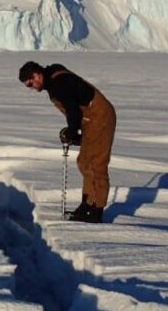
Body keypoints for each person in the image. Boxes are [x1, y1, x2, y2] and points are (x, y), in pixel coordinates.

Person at [18, 61, 116, 223]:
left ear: (38, 73)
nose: (33, 87)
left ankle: (96, 209)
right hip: (90, 119)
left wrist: (73, 130)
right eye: (29, 86)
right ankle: (87, 204)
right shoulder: (52, 78)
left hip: (100, 116)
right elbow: (74, 105)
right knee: (84, 161)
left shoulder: (57, 84)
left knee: (96, 162)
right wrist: (75, 131)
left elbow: (72, 109)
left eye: (32, 81)